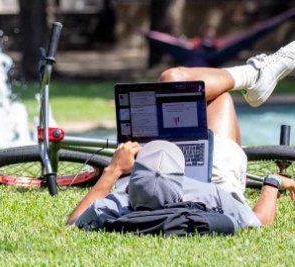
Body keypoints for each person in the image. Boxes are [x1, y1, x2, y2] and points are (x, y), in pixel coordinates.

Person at [67, 41, 295, 231]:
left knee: (179, 82)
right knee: (210, 93)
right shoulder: (212, 196)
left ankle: (255, 76)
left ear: (129, 189)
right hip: (218, 174)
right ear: (183, 194)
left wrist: (114, 170)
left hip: (166, 183)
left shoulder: (120, 205)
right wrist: (272, 183)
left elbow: (73, 223)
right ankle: (255, 74)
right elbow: (260, 221)